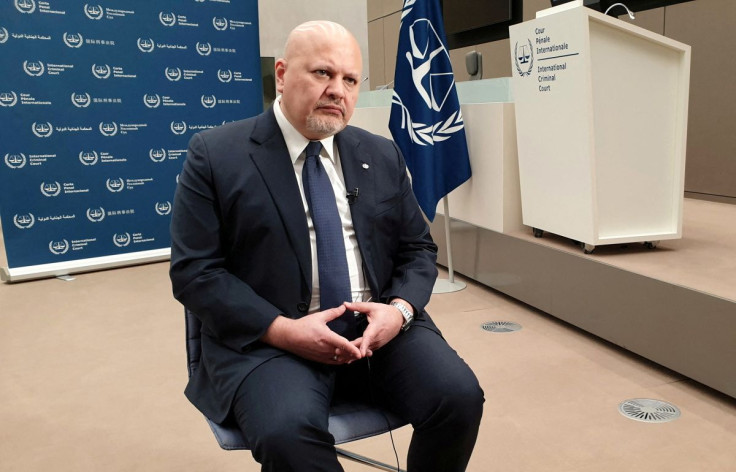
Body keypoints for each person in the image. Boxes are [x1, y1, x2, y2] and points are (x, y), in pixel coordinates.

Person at [170, 20, 484, 472]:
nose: (338, 90)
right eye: (322, 73)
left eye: (351, 79)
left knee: (458, 398)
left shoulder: (380, 154)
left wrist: (398, 311)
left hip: (378, 328)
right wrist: (281, 329)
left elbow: (418, 249)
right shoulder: (215, 155)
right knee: (287, 437)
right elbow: (196, 273)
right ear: (281, 75)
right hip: (273, 338)